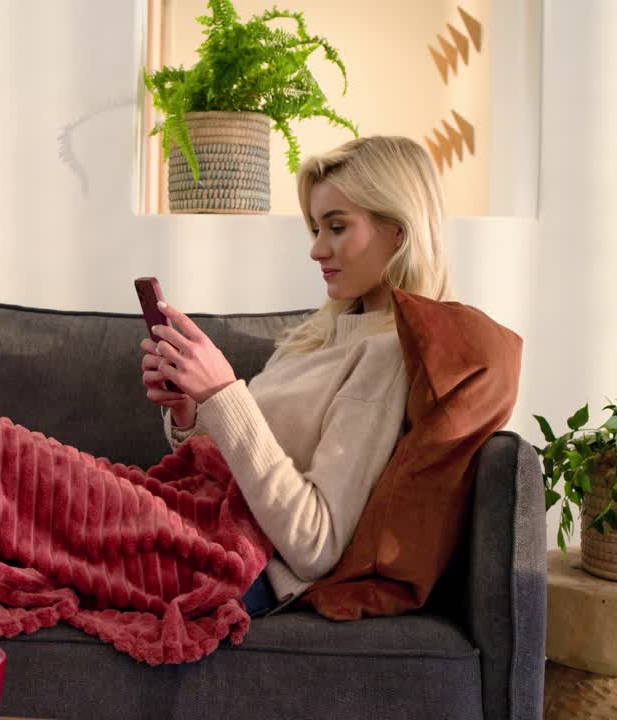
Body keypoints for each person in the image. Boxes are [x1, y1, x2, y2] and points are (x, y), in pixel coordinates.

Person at [139, 135, 453, 617]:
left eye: (337, 227)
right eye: (315, 228)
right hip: (188, 522)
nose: (316, 249)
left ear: (398, 231)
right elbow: (240, 467)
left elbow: (315, 542)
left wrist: (223, 393)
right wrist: (190, 412)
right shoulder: (319, 334)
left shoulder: (387, 354)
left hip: (224, 560)